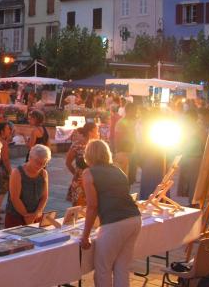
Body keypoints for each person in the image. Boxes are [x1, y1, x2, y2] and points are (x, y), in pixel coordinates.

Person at [80, 140, 141, 287]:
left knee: (103, 268)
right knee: (121, 267)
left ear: (88, 155)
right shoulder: (117, 169)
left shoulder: (88, 173)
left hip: (114, 223)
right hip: (134, 218)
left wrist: (85, 235)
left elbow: (92, 206)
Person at [5, 144, 50, 227]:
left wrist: (37, 212)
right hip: (16, 217)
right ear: (30, 158)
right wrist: (26, 216)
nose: (40, 166)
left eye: (43, 163)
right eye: (37, 162)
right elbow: (15, 198)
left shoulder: (43, 173)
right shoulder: (17, 172)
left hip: (35, 217)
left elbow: (44, 196)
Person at [66, 122, 99, 206]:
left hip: (95, 181)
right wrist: (76, 174)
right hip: (80, 182)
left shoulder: (97, 146)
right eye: (96, 131)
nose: (98, 133)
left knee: (92, 207)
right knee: (78, 209)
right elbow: (68, 163)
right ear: (90, 132)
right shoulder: (77, 145)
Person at [114, 102, 137, 180]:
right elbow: (117, 139)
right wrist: (118, 152)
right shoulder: (121, 122)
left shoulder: (134, 122)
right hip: (124, 153)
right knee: (124, 178)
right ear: (129, 110)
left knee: (131, 178)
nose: (136, 113)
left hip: (133, 153)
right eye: (134, 110)